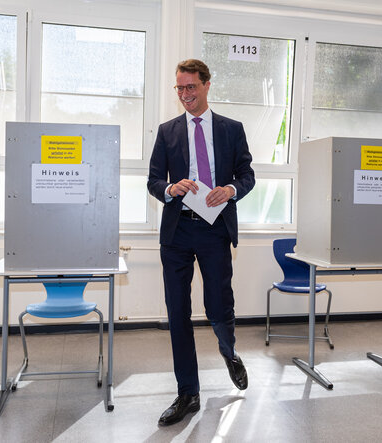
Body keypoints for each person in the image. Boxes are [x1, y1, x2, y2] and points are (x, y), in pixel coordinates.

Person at [147, 59, 255, 426]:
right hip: (177, 229)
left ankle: (229, 351)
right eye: (179, 88)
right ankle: (188, 393)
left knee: (218, 305)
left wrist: (230, 190)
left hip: (214, 228)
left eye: (191, 87)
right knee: (178, 312)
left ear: (207, 85)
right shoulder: (167, 131)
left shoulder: (231, 129)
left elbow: (247, 174)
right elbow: (153, 180)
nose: (185, 95)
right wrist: (169, 188)